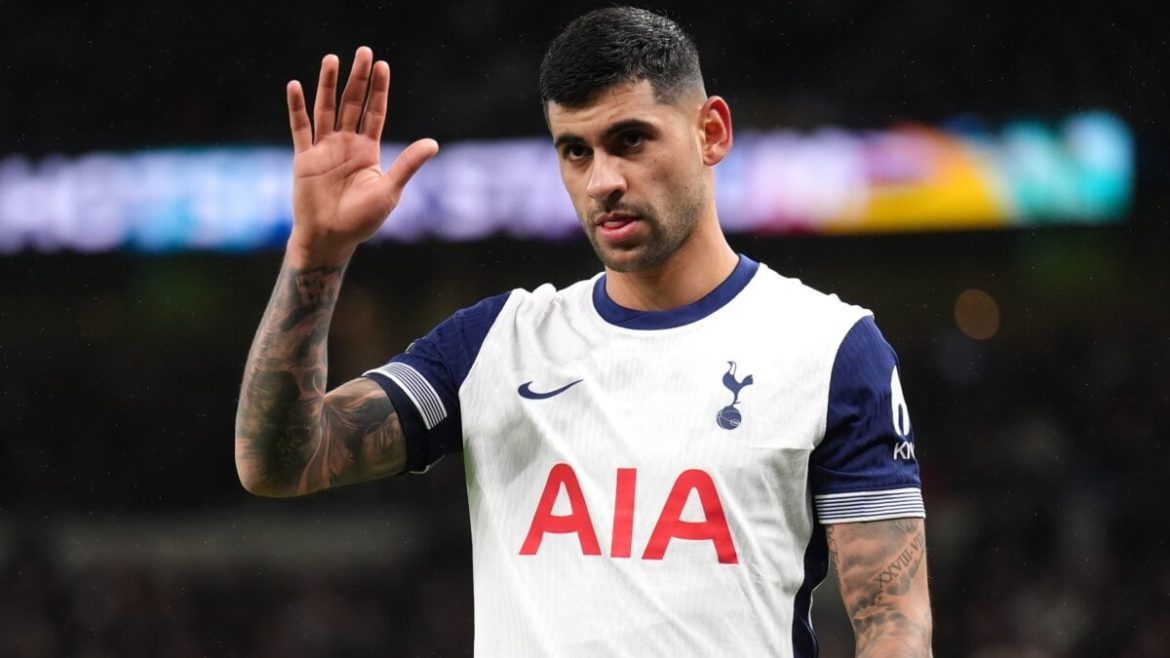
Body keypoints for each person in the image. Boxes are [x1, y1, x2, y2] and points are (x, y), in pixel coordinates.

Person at [235, 7, 932, 656]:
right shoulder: (497, 344)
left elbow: (894, 627)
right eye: (575, 151)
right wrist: (316, 256)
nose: (602, 180)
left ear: (711, 132)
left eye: (629, 141)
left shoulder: (832, 348)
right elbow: (280, 463)